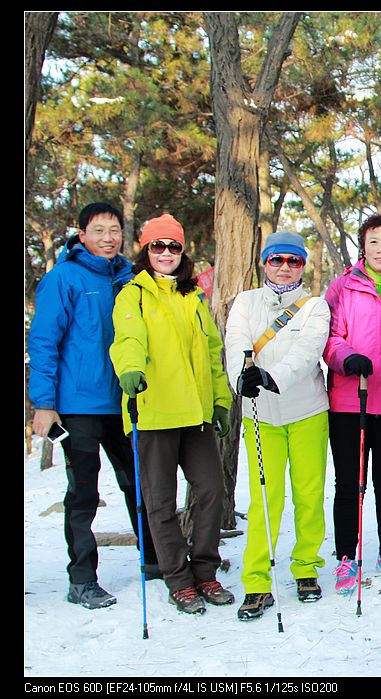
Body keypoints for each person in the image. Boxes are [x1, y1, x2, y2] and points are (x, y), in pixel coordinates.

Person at [28, 202, 159, 610]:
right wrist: (43, 403)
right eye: (99, 230)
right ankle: (82, 578)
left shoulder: (130, 278)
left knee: (140, 482)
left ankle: (157, 560)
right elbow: (44, 343)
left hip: (124, 402)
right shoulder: (63, 278)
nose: (108, 237)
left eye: (114, 230)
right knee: (83, 492)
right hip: (79, 405)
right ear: (82, 235)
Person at [110, 214, 234, 615]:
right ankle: (177, 579)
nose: (166, 253)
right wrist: (130, 369)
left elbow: (213, 354)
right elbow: (127, 338)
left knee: (212, 491)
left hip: (195, 414)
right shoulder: (134, 295)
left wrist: (220, 401)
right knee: (160, 504)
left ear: (183, 253)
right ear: (146, 251)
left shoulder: (192, 297)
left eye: (173, 246)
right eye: (157, 246)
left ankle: (205, 570)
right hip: (155, 412)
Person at [224, 231, 331, 621]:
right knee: (264, 498)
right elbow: (236, 340)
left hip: (306, 410)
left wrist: (272, 376)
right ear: (264, 262)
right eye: (277, 260)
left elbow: (309, 351)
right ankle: (256, 580)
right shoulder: (245, 302)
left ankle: (305, 567)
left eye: (293, 261)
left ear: (303, 264)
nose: (285, 267)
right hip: (260, 415)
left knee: (308, 493)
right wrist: (243, 374)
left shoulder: (315, 306)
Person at [324, 215, 381, 599]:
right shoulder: (343, 288)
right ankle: (347, 556)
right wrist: (346, 357)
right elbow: (329, 337)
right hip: (351, 400)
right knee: (350, 483)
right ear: (363, 247)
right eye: (374, 242)